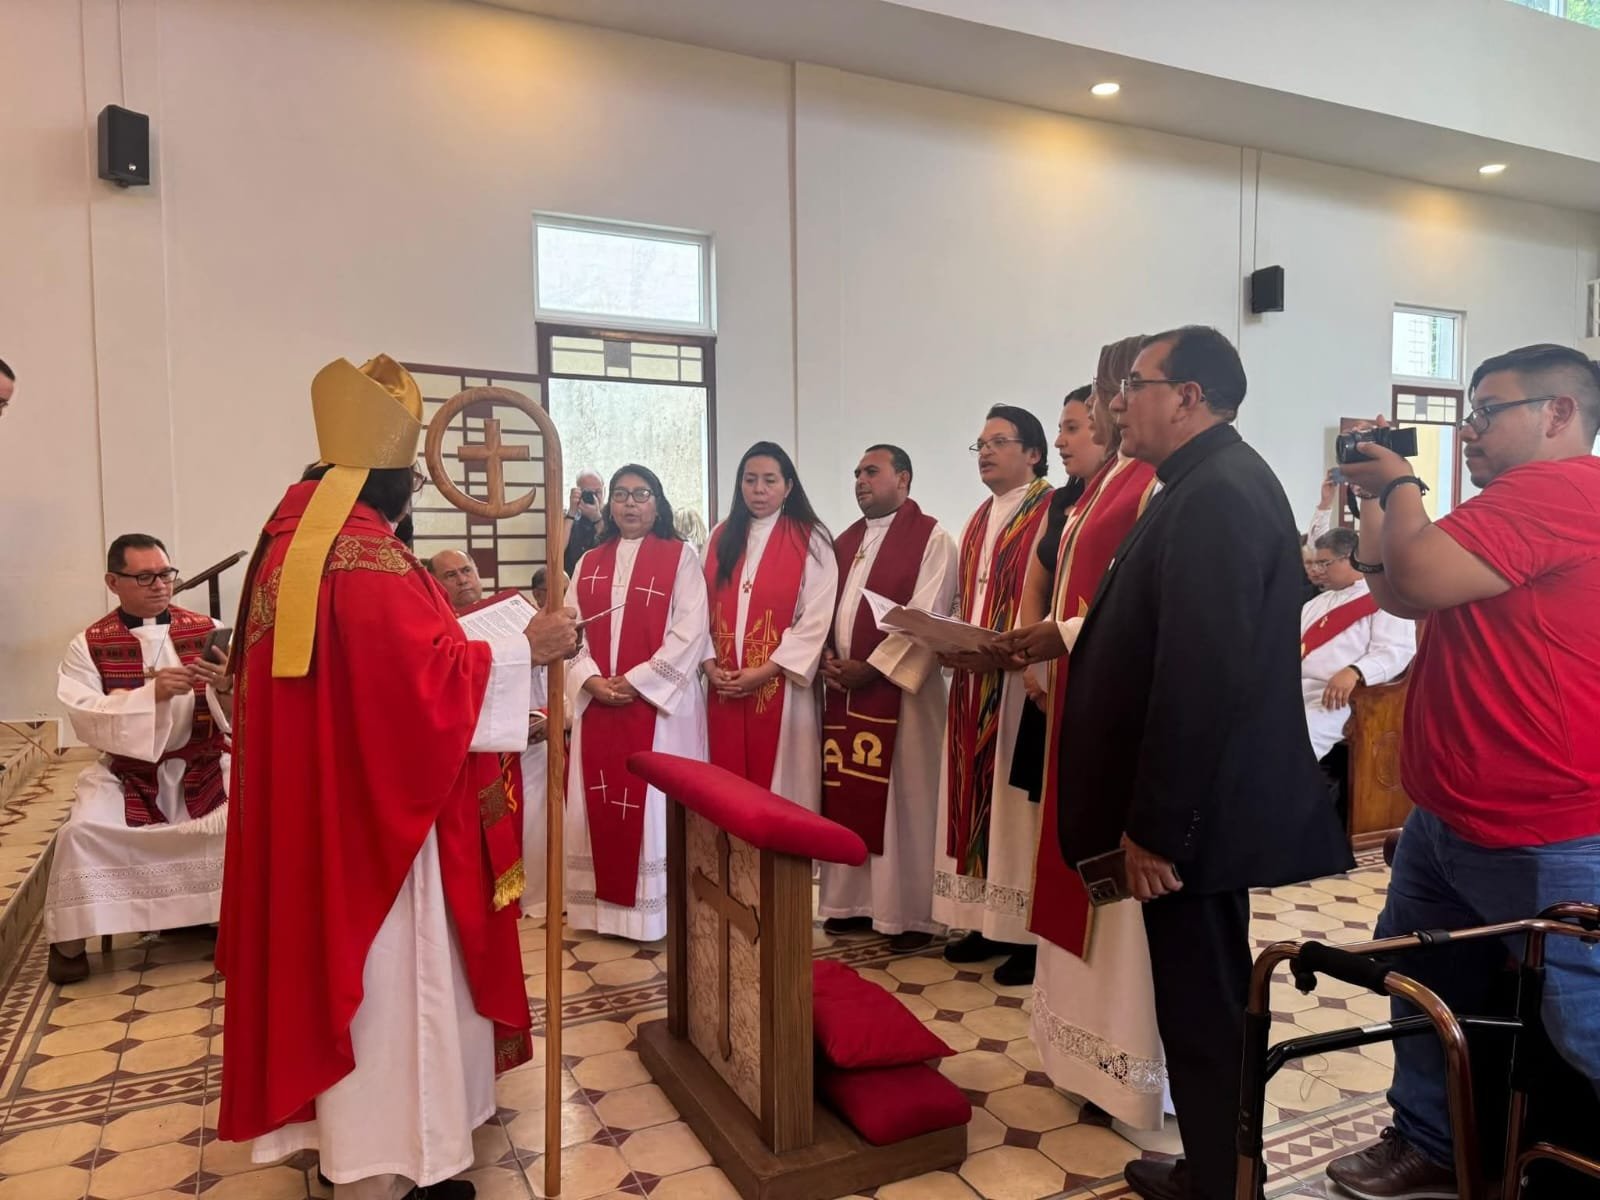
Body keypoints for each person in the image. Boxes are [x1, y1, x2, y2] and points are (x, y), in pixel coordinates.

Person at [216, 354, 579, 1200]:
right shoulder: (364, 559)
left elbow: (386, 671)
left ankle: (356, 1150)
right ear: (386, 477)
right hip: (379, 831)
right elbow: (417, 689)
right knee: (395, 990)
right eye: (411, 477)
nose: (414, 489)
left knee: (357, 980)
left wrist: (486, 648)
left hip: (325, 808)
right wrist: (527, 648)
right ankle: (393, 1165)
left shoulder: (294, 543)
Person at [1057, 327, 1352, 1200]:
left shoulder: (1218, 491)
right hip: (1198, 813)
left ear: (1188, 396)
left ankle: (1224, 1183)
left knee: (1204, 1003)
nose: (1118, 404)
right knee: (1201, 1000)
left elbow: (1199, 675)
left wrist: (1156, 828)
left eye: (1135, 386)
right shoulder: (1200, 481)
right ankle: (1218, 1168)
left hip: (1196, 820)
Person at [1326, 343, 1600, 1200]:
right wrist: (1377, 497)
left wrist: (1402, 482)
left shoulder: (1565, 491)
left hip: (1543, 825)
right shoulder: (1510, 503)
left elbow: (1411, 576)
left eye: (1487, 412)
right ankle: (1431, 1142)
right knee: (1422, 984)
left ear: (1559, 414)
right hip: (1447, 816)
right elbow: (1399, 590)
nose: (1470, 431)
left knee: (1582, 1019)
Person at [1000, 336, 1170, 1132]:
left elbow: (1143, 602)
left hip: (1120, 708)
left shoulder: (1154, 482)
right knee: (1074, 877)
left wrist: (1058, 639)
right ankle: (1082, 1052)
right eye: (1104, 390)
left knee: (1122, 902)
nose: (1108, 405)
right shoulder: (1102, 485)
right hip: (1077, 692)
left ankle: (1131, 1069)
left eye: (1116, 389)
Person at [44, 534, 232, 985]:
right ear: (113, 582)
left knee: (252, 819)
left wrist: (226, 684)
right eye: (145, 577)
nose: (160, 585)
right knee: (81, 834)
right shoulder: (89, 644)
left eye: (166, 574)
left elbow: (241, 707)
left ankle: (216, 916)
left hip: (204, 763)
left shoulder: (208, 628)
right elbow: (85, 714)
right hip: (129, 774)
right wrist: (152, 696)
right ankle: (70, 944)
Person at [816, 444, 957, 953]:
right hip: (844, 695)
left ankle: (910, 913)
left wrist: (871, 668)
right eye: (857, 472)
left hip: (903, 701)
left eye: (871, 472)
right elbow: (822, 608)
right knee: (847, 794)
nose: (860, 480)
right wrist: (827, 655)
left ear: (903, 478)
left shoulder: (932, 538)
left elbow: (926, 616)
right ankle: (851, 903)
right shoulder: (843, 542)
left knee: (906, 802)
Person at [932, 405, 1054, 986]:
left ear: (1033, 453)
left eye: (998, 441)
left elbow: (1053, 598)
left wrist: (1011, 655)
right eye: (979, 444)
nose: (984, 452)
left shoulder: (1051, 509)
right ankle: (984, 920)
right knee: (975, 800)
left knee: (1015, 811)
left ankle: (1027, 934)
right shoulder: (979, 518)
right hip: (974, 683)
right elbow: (969, 600)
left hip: (1022, 685)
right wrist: (947, 638)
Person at [566, 464, 710, 941]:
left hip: (658, 710)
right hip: (599, 703)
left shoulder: (681, 557)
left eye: (641, 494)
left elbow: (690, 632)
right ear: (609, 505)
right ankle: (601, 913)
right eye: (621, 495)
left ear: (658, 502)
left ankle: (656, 913)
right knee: (603, 799)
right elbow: (570, 630)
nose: (630, 503)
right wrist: (589, 679)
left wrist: (634, 681)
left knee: (653, 805)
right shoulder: (588, 562)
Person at [702, 442, 835, 809]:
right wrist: (709, 666)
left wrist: (764, 672)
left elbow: (816, 619)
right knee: (725, 794)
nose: (758, 490)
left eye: (769, 480)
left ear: (788, 486)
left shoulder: (811, 539)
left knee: (781, 793)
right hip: (723, 685)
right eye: (750, 480)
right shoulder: (720, 536)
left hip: (782, 689)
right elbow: (697, 610)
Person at [1008, 385, 1102, 802]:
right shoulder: (1061, 502)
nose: (1060, 441)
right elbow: (1035, 585)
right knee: (1041, 803)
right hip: (1045, 667)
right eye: (1060, 429)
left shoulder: (1130, 500)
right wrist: (1034, 666)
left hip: (1084, 665)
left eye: (1072, 428)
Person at [1300, 527, 1415, 824]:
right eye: (1316, 563)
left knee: (1297, 739)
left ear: (1351, 558)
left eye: (1325, 563)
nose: (1318, 570)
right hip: (1298, 691)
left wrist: (1355, 671)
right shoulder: (1314, 604)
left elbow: (1396, 651)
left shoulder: (1384, 600)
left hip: (1348, 699)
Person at [563, 468, 607, 575]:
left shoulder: (613, 516)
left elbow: (612, 548)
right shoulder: (569, 518)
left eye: (598, 492)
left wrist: (597, 518)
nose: (594, 497)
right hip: (572, 578)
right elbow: (557, 551)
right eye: (588, 492)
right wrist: (571, 512)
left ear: (605, 491)